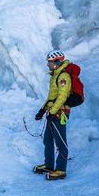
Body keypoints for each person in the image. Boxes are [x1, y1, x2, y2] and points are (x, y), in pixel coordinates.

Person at [33, 49, 72, 180]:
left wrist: (53, 112)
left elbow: (62, 97)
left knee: (61, 142)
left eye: (49, 62)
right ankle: (49, 165)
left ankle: (61, 170)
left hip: (59, 114)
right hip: (52, 113)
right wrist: (42, 110)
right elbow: (51, 97)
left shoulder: (63, 77)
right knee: (47, 140)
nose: (47, 64)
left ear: (56, 61)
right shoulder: (55, 75)